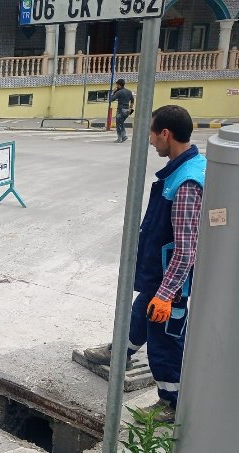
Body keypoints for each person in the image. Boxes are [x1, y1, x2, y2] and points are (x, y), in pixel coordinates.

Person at [84, 105, 206, 423]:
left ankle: (171, 402)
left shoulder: (188, 183)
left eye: (152, 133)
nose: (151, 141)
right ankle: (119, 353)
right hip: (159, 274)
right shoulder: (183, 168)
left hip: (172, 281)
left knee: (164, 341)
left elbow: (186, 249)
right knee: (138, 313)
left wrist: (166, 295)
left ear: (166, 133)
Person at [111, 79, 134, 143]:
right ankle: (124, 136)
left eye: (117, 85)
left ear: (119, 85)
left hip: (121, 110)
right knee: (121, 123)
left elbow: (111, 99)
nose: (116, 86)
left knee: (118, 124)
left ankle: (120, 138)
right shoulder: (129, 92)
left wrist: (113, 92)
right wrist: (130, 108)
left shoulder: (119, 92)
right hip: (127, 110)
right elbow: (132, 101)